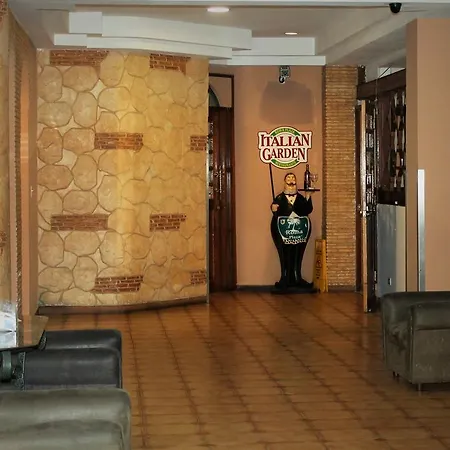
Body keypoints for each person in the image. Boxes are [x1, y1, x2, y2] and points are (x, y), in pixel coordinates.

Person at [270, 172, 313, 290]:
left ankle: (297, 277)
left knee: (298, 254)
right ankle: (284, 278)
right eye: (288, 178)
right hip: (283, 234)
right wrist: (273, 208)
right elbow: (276, 213)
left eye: (293, 178)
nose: (291, 180)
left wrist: (308, 197)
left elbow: (308, 210)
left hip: (299, 233)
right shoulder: (279, 198)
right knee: (285, 254)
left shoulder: (300, 198)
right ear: (284, 182)